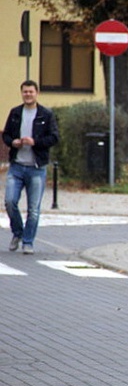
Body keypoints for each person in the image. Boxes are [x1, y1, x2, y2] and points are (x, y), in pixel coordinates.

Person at [3, 80, 60, 255]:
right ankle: (18, 232)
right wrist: (13, 142)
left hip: (36, 167)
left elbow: (54, 137)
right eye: (25, 92)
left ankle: (28, 242)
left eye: (31, 92)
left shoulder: (45, 115)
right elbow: (6, 135)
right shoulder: (15, 113)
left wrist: (35, 142)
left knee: (33, 209)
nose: (28, 95)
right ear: (22, 93)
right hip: (17, 166)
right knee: (10, 201)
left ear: (37, 93)